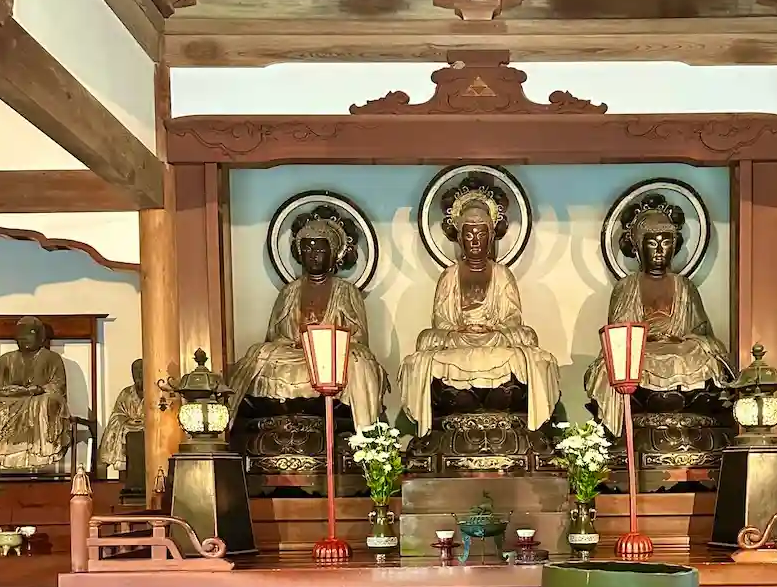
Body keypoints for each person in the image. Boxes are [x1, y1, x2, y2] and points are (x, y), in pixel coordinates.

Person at [398, 184, 559, 438]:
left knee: (528, 340)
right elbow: (441, 322)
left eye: (481, 234)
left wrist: (493, 330)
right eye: (469, 235)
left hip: (494, 338)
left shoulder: (502, 274)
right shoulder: (449, 276)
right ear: (460, 238)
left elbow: (513, 319)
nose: (475, 241)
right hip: (458, 340)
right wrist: (459, 331)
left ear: (491, 237)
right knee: (425, 343)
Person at [228, 205, 386, 430]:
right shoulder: (290, 291)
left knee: (357, 360)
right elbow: (274, 335)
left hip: (332, 358)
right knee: (258, 352)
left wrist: (326, 344)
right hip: (294, 354)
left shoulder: (346, 291)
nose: (313, 255)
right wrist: (294, 343)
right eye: (307, 249)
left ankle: (364, 434)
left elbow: (358, 337)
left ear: (334, 253)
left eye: (320, 249)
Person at [585, 198, 733, 436]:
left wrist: (687, 340)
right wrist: (647, 338)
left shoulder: (685, 286)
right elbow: (618, 339)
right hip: (644, 353)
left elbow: (702, 332)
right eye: (652, 243)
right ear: (637, 247)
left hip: (681, 349)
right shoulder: (627, 286)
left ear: (674, 246)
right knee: (616, 367)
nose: (660, 250)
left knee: (704, 355)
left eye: (666, 242)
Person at [0, 315, 71, 473]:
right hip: (8, 398)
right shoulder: (6, 359)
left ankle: (37, 450)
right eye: (21, 334)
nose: (25, 338)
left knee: (48, 403)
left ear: (41, 337)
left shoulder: (51, 358)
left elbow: (58, 386)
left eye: (30, 333)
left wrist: (37, 389)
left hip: (35, 398)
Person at [99, 358, 144, 473]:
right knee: (117, 425)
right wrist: (126, 421)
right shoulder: (126, 393)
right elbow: (117, 414)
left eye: (141, 371)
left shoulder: (154, 393)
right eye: (135, 371)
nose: (138, 375)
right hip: (128, 426)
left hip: (146, 428)